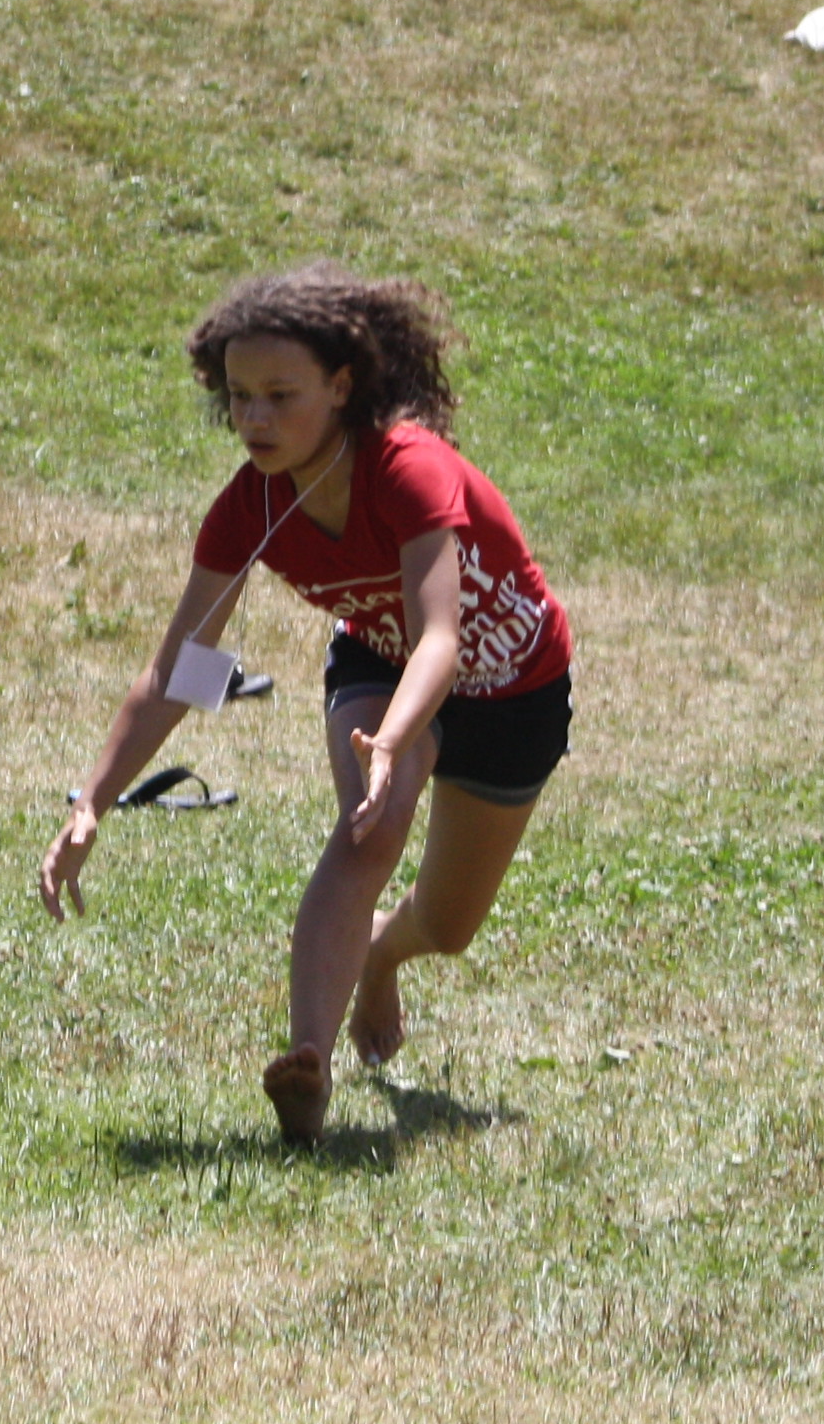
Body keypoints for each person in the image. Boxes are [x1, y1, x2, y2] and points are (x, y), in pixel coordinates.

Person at [36, 266, 575, 1146]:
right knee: (371, 831)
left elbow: (441, 637)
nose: (254, 418)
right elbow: (182, 671)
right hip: (378, 662)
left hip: (514, 689)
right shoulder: (248, 509)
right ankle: (309, 1066)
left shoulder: (407, 467)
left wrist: (394, 740)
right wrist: (92, 801)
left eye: (280, 396)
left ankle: (381, 954)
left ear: (341, 387)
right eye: (239, 396)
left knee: (448, 926)